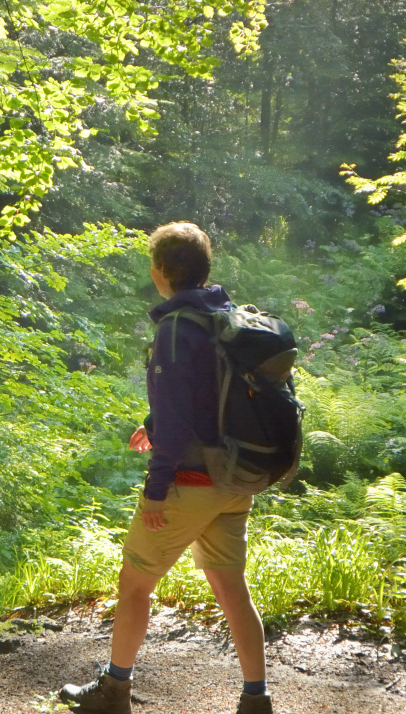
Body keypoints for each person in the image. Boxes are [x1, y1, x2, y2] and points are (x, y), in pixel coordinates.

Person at [58, 222, 272, 714]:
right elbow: (204, 392)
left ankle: (114, 693)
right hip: (234, 480)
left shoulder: (176, 327)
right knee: (230, 586)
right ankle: (256, 700)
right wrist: (154, 422)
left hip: (189, 481)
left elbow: (180, 420)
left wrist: (157, 488)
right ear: (203, 268)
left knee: (135, 586)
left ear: (161, 271)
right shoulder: (225, 316)